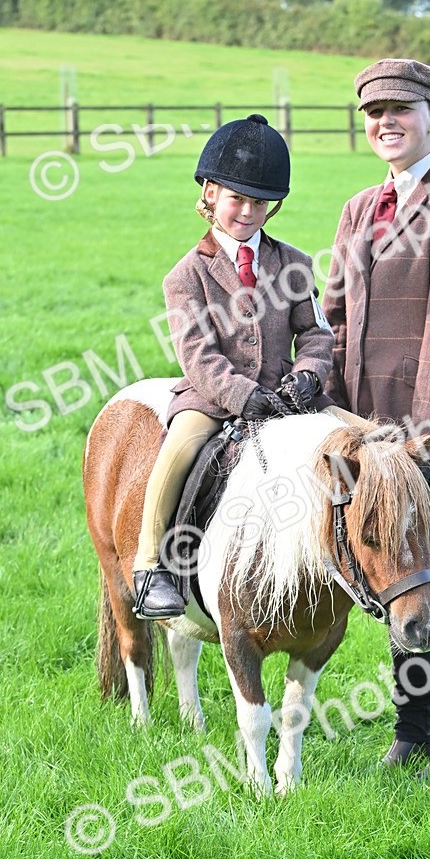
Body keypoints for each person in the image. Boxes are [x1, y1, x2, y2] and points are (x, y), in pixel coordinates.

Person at [322, 59, 430, 780]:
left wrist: (422, 441)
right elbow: (334, 318)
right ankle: (412, 731)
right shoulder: (360, 208)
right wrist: (326, 415)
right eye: (374, 113)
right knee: (397, 582)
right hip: (368, 437)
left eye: (402, 109)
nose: (386, 122)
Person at [132, 113, 335, 620]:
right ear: (209, 193)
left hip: (287, 395)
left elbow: (315, 333)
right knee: (179, 448)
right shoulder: (187, 275)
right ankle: (150, 564)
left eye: (259, 203)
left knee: (360, 437)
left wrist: (308, 375)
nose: (247, 211)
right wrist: (243, 396)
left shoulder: (293, 263)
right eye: (236, 199)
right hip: (212, 398)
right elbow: (197, 355)